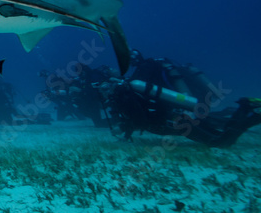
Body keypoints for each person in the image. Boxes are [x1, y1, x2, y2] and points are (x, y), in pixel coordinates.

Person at [98, 51, 261, 148]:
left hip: (176, 122)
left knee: (221, 142)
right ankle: (248, 111)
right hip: (177, 117)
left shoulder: (123, 97)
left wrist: (125, 126)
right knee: (220, 131)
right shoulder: (128, 91)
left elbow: (140, 120)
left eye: (103, 91)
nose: (104, 96)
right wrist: (126, 131)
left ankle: (248, 110)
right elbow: (140, 112)